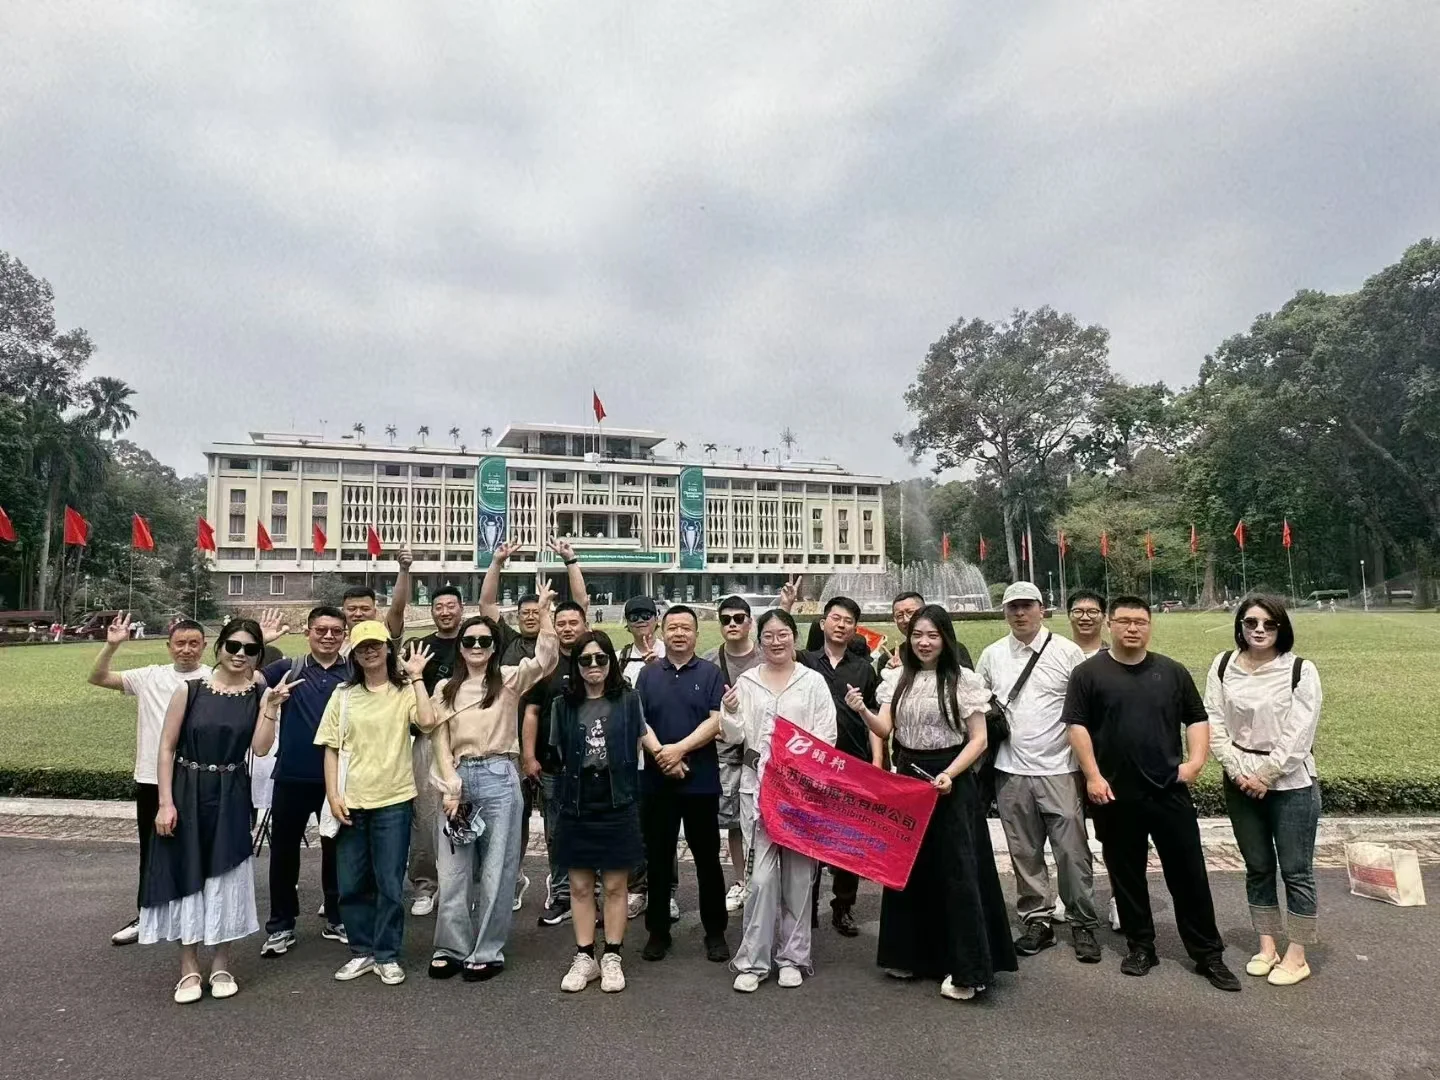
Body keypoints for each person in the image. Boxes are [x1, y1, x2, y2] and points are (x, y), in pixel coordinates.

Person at [1063, 595, 1240, 992]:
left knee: (1189, 874)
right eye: (1124, 621)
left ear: (1149, 625)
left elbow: (1196, 718)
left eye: (1139, 621)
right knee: (1126, 876)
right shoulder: (1088, 674)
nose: (1132, 628)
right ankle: (1141, 945)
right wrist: (1092, 776)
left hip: (1168, 791)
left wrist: (1194, 763)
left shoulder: (1171, 672)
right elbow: (1076, 726)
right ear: (1110, 624)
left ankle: (1207, 953)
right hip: (1114, 793)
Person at [850, 604, 1017, 1001]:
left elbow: (978, 738)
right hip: (910, 779)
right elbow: (886, 728)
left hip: (951, 781)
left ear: (945, 638)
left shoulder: (964, 681)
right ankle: (910, 955)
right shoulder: (897, 679)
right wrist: (863, 712)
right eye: (918, 635)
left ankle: (967, 970)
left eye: (933, 635)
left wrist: (951, 774)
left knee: (958, 870)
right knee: (909, 868)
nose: (924, 642)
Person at [139, 619, 296, 1003]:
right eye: (233, 646)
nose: (240, 654)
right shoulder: (189, 690)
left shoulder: (259, 692)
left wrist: (271, 707)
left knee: (227, 875)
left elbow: (260, 749)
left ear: (258, 655)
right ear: (220, 647)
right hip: (187, 788)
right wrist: (164, 802)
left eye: (249, 649)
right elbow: (166, 748)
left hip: (231, 791)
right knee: (187, 873)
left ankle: (222, 963)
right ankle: (189, 968)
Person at [424, 591, 559, 981]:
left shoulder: (510, 680)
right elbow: (439, 743)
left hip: (500, 774)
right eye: (470, 641)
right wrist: (449, 785)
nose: (478, 647)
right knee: (453, 869)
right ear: (461, 648)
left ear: (495, 646)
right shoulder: (446, 690)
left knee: (498, 869)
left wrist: (546, 614)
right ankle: (451, 946)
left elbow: (546, 659)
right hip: (459, 778)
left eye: (485, 640)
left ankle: (487, 948)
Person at [976, 582, 1099, 963]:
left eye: (1027, 606)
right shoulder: (993, 655)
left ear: (1042, 609)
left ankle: (1083, 923)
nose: (1019, 613)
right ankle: (1037, 919)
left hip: (1059, 768)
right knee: (1024, 851)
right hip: (1010, 770)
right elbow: (977, 704)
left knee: (1072, 852)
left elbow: (1086, 710)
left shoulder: (1066, 652)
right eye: (1012, 607)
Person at [1206, 596, 1323, 986]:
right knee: (1257, 866)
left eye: (1269, 624)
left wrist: (1266, 775)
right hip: (1240, 780)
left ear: (1281, 628)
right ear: (1239, 624)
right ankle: (1267, 944)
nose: (1259, 630)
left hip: (1290, 783)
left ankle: (1298, 953)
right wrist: (1239, 771)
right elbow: (1214, 721)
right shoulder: (1223, 666)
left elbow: (1300, 732)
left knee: (1295, 870)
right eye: (1251, 622)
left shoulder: (1299, 671)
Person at [722, 609, 837, 992]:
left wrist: (801, 774)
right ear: (760, 637)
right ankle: (753, 960)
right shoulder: (748, 681)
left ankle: (793, 957)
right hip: (758, 788)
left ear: (794, 637)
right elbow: (735, 735)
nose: (776, 642)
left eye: (783, 634)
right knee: (760, 878)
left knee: (800, 876)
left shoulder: (813, 682)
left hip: (800, 792)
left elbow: (826, 737)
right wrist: (733, 711)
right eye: (769, 635)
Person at [318, 622, 434, 986]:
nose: (369, 652)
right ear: (353, 654)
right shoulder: (343, 694)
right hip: (351, 800)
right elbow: (331, 748)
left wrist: (416, 678)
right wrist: (333, 795)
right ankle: (361, 950)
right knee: (351, 883)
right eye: (362, 647)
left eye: (376, 645)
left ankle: (386, 953)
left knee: (388, 882)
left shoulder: (403, 693)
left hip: (394, 800)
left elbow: (428, 723)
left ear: (387, 648)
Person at [552, 631, 664, 994]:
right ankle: (585, 956)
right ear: (577, 665)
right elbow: (560, 753)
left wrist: (666, 755)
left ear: (611, 662)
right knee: (581, 885)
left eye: (601, 659)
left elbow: (642, 737)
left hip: (618, 798)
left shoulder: (628, 700)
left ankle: (612, 955)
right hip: (577, 800)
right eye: (586, 660)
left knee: (616, 885)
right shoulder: (562, 704)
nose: (594, 666)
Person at [89, 613, 210, 946]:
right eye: (180, 643)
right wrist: (111, 646)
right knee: (153, 848)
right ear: (168, 646)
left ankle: (193, 915)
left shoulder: (213, 679)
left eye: (194, 643)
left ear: (204, 646)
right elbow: (98, 677)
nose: (187, 650)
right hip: (151, 777)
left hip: (196, 777)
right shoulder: (149, 676)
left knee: (197, 848)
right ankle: (147, 914)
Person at [480, 538, 588, 911]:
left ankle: (561, 885)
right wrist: (496, 562)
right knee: (514, 820)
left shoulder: (564, 647)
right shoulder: (506, 641)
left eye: (537, 612)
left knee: (560, 823)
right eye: (525, 611)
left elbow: (581, 605)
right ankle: (512, 878)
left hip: (554, 751)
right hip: (510, 748)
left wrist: (570, 560)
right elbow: (487, 605)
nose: (531, 616)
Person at [635, 605, 730, 963]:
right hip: (657, 784)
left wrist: (679, 751)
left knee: (707, 860)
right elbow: (638, 719)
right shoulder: (648, 674)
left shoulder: (710, 673)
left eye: (686, 628)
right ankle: (658, 932)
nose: (679, 633)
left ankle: (716, 931)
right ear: (662, 631)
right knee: (658, 860)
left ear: (696, 633)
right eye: (672, 627)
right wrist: (663, 755)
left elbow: (716, 721)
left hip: (700, 782)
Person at [258, 606, 350, 958]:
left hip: (337, 779)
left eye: (335, 631)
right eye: (321, 630)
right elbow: (240, 677)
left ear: (344, 635)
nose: (328, 636)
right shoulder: (287, 669)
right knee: (283, 855)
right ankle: (281, 925)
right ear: (308, 632)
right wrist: (262, 644)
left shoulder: (353, 672)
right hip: (292, 775)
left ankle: (337, 917)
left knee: (338, 852)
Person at [703, 583, 800, 915]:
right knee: (734, 823)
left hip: (770, 754)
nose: (732, 624)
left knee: (774, 821)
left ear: (749, 624)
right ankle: (742, 881)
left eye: (739, 618)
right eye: (726, 619)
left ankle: (776, 883)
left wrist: (785, 603)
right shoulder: (711, 659)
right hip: (728, 753)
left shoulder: (764, 655)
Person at [799, 596, 883, 937]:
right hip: (811, 764)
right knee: (808, 840)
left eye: (848, 620)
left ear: (854, 628)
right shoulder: (804, 661)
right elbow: (773, 641)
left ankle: (844, 907)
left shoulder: (863, 669)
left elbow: (875, 718)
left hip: (852, 763)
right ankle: (806, 907)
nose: (841, 625)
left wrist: (877, 761)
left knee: (848, 842)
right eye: (835, 618)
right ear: (822, 623)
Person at [396, 583, 465, 919]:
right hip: (426, 736)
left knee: (465, 812)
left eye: (451, 605)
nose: (445, 611)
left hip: (467, 738)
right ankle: (425, 885)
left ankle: (463, 886)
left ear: (461, 609)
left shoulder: (475, 642)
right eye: (439, 606)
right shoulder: (417, 646)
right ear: (432, 610)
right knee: (425, 814)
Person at [521, 598, 590, 926]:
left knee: (593, 829)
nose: (566, 629)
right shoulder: (544, 664)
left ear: (583, 624)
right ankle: (562, 893)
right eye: (560, 623)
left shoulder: (595, 660)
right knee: (556, 832)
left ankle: (595, 895)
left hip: (592, 766)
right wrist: (529, 756)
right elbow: (532, 712)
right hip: (552, 765)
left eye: (572, 623)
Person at [616, 594, 671, 921]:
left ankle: (668, 889)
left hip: (666, 751)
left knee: (665, 825)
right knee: (635, 824)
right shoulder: (621, 657)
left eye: (646, 614)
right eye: (634, 615)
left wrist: (657, 670)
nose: (640, 620)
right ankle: (638, 888)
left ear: (656, 618)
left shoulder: (669, 653)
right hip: (632, 756)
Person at [1067, 590, 1108, 658]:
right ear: (1069, 616)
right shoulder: (1057, 655)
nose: (1085, 618)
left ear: (1104, 617)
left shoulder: (1116, 657)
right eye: (1078, 611)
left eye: (1092, 612)